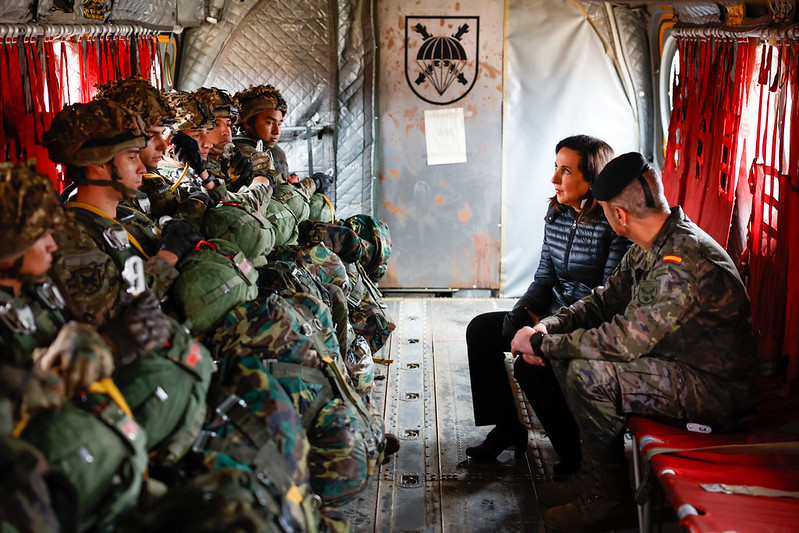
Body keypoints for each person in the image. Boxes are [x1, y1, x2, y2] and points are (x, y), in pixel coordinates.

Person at [510, 152, 757, 531]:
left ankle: (610, 500)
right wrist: (549, 327)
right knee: (574, 358)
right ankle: (594, 482)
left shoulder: (682, 257)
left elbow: (625, 341)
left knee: (588, 375)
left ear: (619, 216)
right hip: (675, 366)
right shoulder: (653, 241)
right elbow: (605, 300)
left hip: (713, 389)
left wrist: (542, 345)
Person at [465, 135, 628, 476]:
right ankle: (507, 426)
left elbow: (607, 297)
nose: (554, 179)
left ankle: (573, 456)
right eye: (556, 167)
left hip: (586, 323)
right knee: (482, 330)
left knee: (530, 364)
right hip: (554, 312)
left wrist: (545, 328)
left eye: (565, 171)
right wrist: (519, 312)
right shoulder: (555, 213)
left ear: (592, 178)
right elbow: (544, 276)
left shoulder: (614, 224)